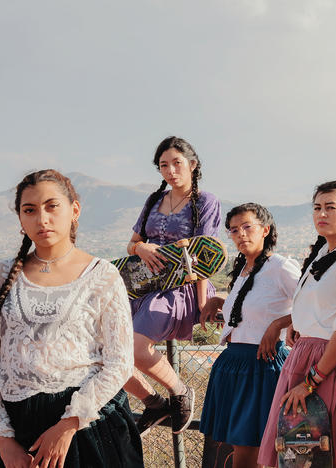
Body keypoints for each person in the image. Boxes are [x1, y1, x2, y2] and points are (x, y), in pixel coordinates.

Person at [0, 169, 143, 468]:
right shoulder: (1, 276)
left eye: (51, 206)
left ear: (74, 210)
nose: (41, 219)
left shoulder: (103, 276)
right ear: (20, 219)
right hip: (13, 427)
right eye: (29, 210)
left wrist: (67, 426)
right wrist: (4, 441)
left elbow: (119, 362)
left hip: (87, 427)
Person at [258, 181, 336, 468]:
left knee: (327, 458)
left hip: (335, 365)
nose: (321, 214)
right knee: (296, 458)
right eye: (317, 208)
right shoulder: (323, 253)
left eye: (330, 207)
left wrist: (310, 382)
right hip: (306, 356)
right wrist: (299, 323)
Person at [124, 136, 221, 436]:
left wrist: (203, 302)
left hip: (179, 289)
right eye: (163, 165)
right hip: (141, 287)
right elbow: (132, 244)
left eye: (176, 163)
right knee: (106, 350)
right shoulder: (154, 200)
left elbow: (204, 256)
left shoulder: (205, 202)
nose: (170, 171)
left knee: (136, 348)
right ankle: (153, 403)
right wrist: (142, 250)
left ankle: (180, 392)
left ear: (192, 165)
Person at [199, 203, 300, 468]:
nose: (240, 234)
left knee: (250, 451)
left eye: (247, 227)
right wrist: (219, 301)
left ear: (265, 230)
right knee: (238, 449)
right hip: (234, 364)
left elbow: (312, 303)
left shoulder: (280, 267)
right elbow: (252, 306)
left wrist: (278, 324)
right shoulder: (244, 269)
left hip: (262, 366)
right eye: (234, 230)